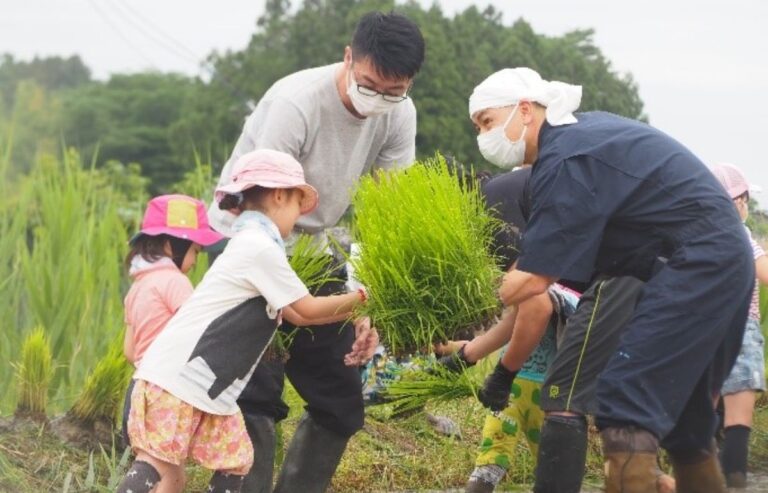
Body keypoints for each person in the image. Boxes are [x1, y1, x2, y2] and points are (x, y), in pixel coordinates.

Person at [468, 67, 753, 492]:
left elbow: (532, 280)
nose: (483, 136)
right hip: (719, 260)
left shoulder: (562, 157)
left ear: (525, 111)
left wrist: (465, 300)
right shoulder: (582, 136)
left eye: (487, 122)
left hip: (695, 262)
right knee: (688, 423)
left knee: (623, 400)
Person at [206, 11, 425, 493]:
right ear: (348, 59)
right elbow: (259, 204)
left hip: (316, 245)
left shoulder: (398, 115)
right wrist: (288, 300)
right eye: (370, 84)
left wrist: (368, 295)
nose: (379, 100)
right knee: (256, 396)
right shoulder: (296, 102)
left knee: (340, 400)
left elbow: (384, 212)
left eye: (395, 91)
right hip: (247, 241)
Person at [116, 149, 368, 493]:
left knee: (233, 462)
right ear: (280, 195)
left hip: (198, 383)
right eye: (297, 205)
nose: (297, 219)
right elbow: (307, 309)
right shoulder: (258, 247)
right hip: (178, 380)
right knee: (160, 469)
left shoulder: (252, 245)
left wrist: (358, 309)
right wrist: (367, 297)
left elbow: (296, 315)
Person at [121, 194, 224, 462]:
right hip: (166, 390)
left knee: (147, 467)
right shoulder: (175, 282)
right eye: (194, 251)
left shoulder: (136, 289)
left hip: (139, 390)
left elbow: (130, 351)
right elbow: (199, 332)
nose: (194, 261)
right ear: (170, 246)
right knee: (163, 469)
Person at [711, 163, 768, 489]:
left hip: (703, 332)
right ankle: (734, 481)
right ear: (738, 201)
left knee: (704, 415)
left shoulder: (696, 233)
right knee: (737, 421)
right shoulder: (741, 233)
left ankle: (697, 479)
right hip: (741, 329)